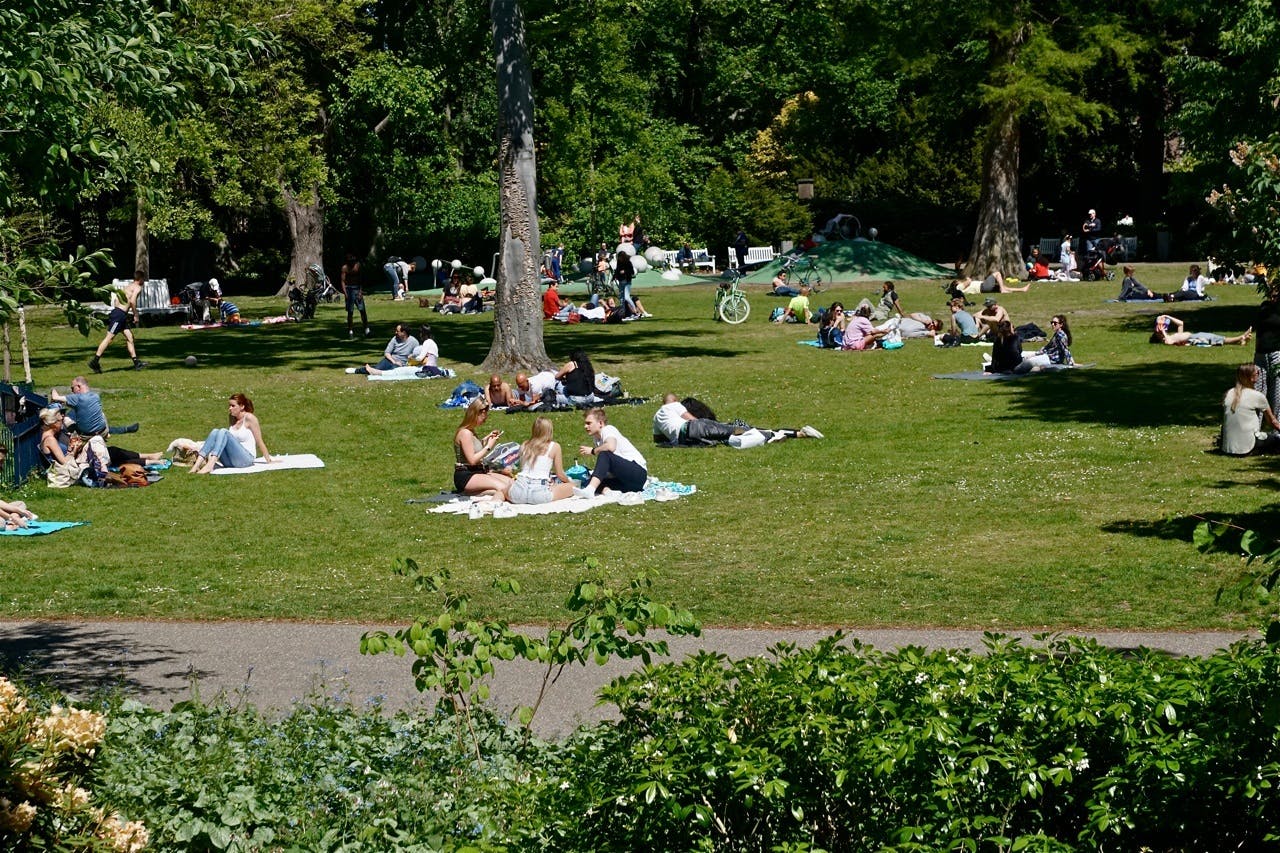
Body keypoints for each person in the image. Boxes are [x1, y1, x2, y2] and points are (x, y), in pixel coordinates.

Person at [39, 407, 160, 472]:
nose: (62, 422)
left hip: (77, 459)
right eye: (60, 420)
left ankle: (148, 459)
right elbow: (65, 463)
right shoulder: (50, 440)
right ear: (53, 424)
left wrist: (76, 446)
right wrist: (73, 449)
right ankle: (148, 460)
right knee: (107, 454)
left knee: (111, 452)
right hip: (75, 465)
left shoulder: (54, 435)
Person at [190, 394, 273, 474]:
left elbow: (259, 441)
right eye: (229, 406)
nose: (230, 408)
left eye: (233, 406)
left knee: (223, 431)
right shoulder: (232, 418)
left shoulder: (250, 418)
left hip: (246, 460)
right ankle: (196, 465)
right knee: (215, 432)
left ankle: (210, 464)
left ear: (242, 406)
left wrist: (268, 460)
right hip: (230, 461)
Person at [575, 407, 647, 497]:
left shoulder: (608, 429)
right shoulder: (597, 439)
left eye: (589, 423)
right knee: (591, 481)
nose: (585, 426)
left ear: (600, 423)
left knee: (605, 454)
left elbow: (610, 446)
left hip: (637, 473)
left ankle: (590, 490)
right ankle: (609, 492)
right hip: (627, 482)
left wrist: (593, 451)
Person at [452, 398, 513, 498]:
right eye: (483, 417)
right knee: (504, 488)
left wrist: (487, 439)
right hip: (467, 475)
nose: (485, 420)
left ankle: (483, 492)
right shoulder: (465, 433)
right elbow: (472, 460)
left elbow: (474, 447)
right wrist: (489, 446)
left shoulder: (470, 431)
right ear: (476, 414)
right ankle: (471, 492)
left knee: (511, 483)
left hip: (477, 471)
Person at [507, 417, 576, 504]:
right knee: (572, 487)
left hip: (519, 490)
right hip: (539, 492)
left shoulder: (525, 445)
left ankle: (495, 503)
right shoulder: (554, 446)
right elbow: (560, 474)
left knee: (502, 491)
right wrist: (569, 482)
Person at [88, 274, 148, 373]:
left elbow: (116, 300)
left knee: (130, 338)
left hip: (120, 314)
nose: (144, 281)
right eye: (143, 279)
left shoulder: (128, 287)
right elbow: (132, 301)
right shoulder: (137, 287)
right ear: (140, 279)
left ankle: (137, 363)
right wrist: (135, 314)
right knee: (109, 338)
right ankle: (95, 361)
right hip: (119, 316)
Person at [1222, 364, 1280, 455]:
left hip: (1227, 448)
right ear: (1251, 377)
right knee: (1275, 439)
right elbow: (1273, 422)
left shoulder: (1228, 393)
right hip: (1248, 446)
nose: (1259, 375)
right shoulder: (1257, 396)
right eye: (1257, 373)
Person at [351, 323, 418, 374]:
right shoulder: (394, 339)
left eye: (397, 331)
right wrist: (394, 361)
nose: (395, 332)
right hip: (390, 360)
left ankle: (372, 370)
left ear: (404, 333)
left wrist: (408, 360)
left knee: (392, 371)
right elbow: (387, 353)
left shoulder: (413, 342)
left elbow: (417, 355)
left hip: (401, 365)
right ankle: (357, 370)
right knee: (378, 368)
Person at [1149, 315, 1252, 346]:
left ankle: (1241, 341)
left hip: (1195, 336)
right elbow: (1169, 342)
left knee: (1216, 338)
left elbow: (1181, 324)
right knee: (1217, 338)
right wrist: (1162, 332)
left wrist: (1168, 316)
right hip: (1194, 339)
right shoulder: (1166, 339)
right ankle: (1241, 338)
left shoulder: (1170, 335)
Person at [341, 253, 371, 338]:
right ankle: (350, 331)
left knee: (362, 310)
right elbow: (343, 281)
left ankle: (366, 330)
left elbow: (361, 279)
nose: (352, 262)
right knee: (350, 312)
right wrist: (345, 293)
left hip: (357, 289)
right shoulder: (345, 268)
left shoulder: (358, 266)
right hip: (349, 289)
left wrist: (360, 292)